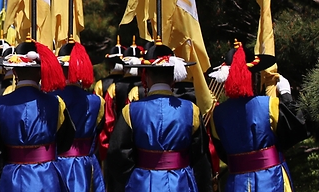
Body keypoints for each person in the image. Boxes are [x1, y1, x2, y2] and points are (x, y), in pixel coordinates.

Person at [106, 44, 212, 192]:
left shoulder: (130, 111)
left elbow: (117, 154)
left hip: (142, 183)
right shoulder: (191, 110)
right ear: (173, 78)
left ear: (146, 76)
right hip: (181, 183)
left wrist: (132, 179)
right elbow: (200, 157)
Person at [208, 42, 306, 192]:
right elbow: (295, 129)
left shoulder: (217, 115)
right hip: (271, 180)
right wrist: (286, 95)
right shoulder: (269, 105)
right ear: (252, 76)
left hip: (237, 183)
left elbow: (222, 152)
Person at [0, 40, 75, 192]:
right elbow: (65, 140)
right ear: (41, 71)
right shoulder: (57, 103)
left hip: (11, 179)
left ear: (14, 71)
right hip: (47, 178)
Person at [53, 42, 105, 192]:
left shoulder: (51, 100)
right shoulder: (97, 101)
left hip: (57, 163)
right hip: (85, 165)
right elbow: (98, 129)